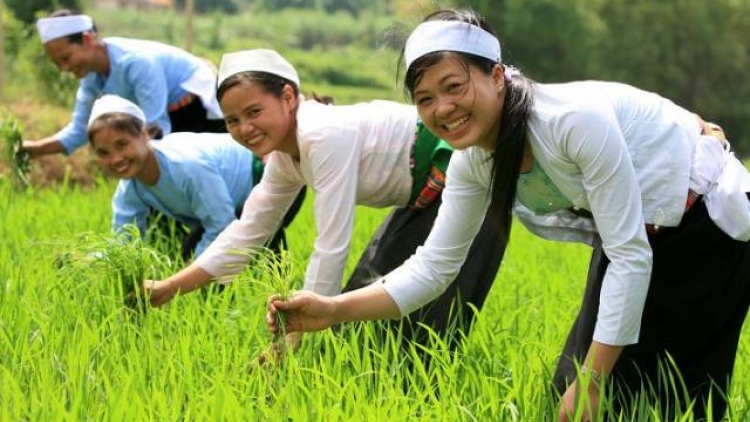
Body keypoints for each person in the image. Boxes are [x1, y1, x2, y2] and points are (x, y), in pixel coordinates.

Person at [265, 8, 750, 421]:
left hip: (703, 224)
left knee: (664, 399)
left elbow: (628, 256)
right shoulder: (474, 160)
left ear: (497, 76)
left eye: (454, 86)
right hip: (639, 234)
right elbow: (434, 267)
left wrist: (595, 379)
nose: (443, 108)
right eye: (425, 98)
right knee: (571, 390)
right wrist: (332, 311)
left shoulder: (570, 123)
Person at [144, 48, 505, 351]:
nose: (244, 128)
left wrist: (291, 339)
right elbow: (247, 233)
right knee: (363, 307)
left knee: (391, 318)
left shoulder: (321, 135)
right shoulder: (286, 158)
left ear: (288, 97)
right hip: (421, 198)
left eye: (254, 112)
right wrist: (169, 288)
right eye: (233, 120)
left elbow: (331, 245)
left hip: (457, 174)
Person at [87, 94, 299, 262]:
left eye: (122, 145)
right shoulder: (130, 188)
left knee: (256, 256)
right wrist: (87, 260)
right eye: (104, 153)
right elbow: (123, 244)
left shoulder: (185, 166)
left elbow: (222, 226)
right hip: (233, 207)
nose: (115, 159)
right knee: (197, 260)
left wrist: (188, 277)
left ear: (144, 135)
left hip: (271, 174)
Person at [24, 9, 225, 159]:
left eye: (66, 58)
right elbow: (81, 129)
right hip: (166, 121)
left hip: (196, 109)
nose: (63, 69)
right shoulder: (92, 78)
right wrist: (34, 149)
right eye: (57, 63)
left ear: (87, 40)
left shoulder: (135, 62)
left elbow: (156, 129)